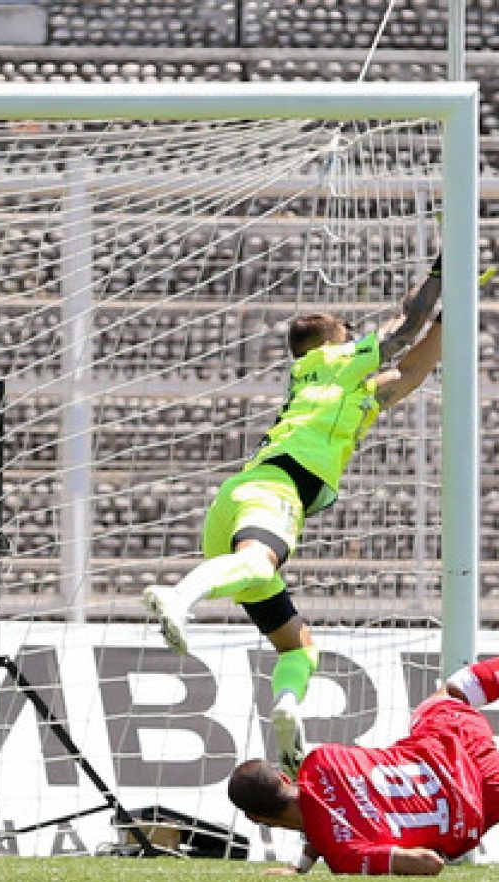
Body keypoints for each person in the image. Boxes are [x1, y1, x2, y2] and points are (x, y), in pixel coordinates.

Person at [143, 255, 444, 776]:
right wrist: (442, 273)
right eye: (348, 333)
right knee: (259, 562)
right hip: (273, 490)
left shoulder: (342, 395)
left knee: (298, 646)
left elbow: (410, 371)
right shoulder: (330, 361)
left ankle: (286, 710)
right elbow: (403, 329)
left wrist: (451, 318)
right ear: (331, 343)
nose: (356, 340)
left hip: (236, 505)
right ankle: (179, 596)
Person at [227, 657, 499, 876]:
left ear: (256, 819)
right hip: (446, 741)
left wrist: (308, 865)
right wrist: (302, 864)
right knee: (452, 692)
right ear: (285, 778)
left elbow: (429, 863)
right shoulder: (321, 760)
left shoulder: (345, 853)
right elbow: (323, 807)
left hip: (476, 800)